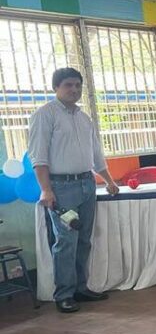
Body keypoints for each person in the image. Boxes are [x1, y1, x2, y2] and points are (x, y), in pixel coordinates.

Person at [28, 67, 120, 314]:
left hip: (86, 184)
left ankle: (81, 288)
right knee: (66, 241)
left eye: (78, 85)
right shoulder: (44, 115)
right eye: (68, 85)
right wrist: (46, 190)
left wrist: (109, 181)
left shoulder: (84, 118)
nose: (74, 89)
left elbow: (96, 154)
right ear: (56, 87)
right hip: (61, 187)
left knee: (84, 240)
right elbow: (38, 157)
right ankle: (64, 294)